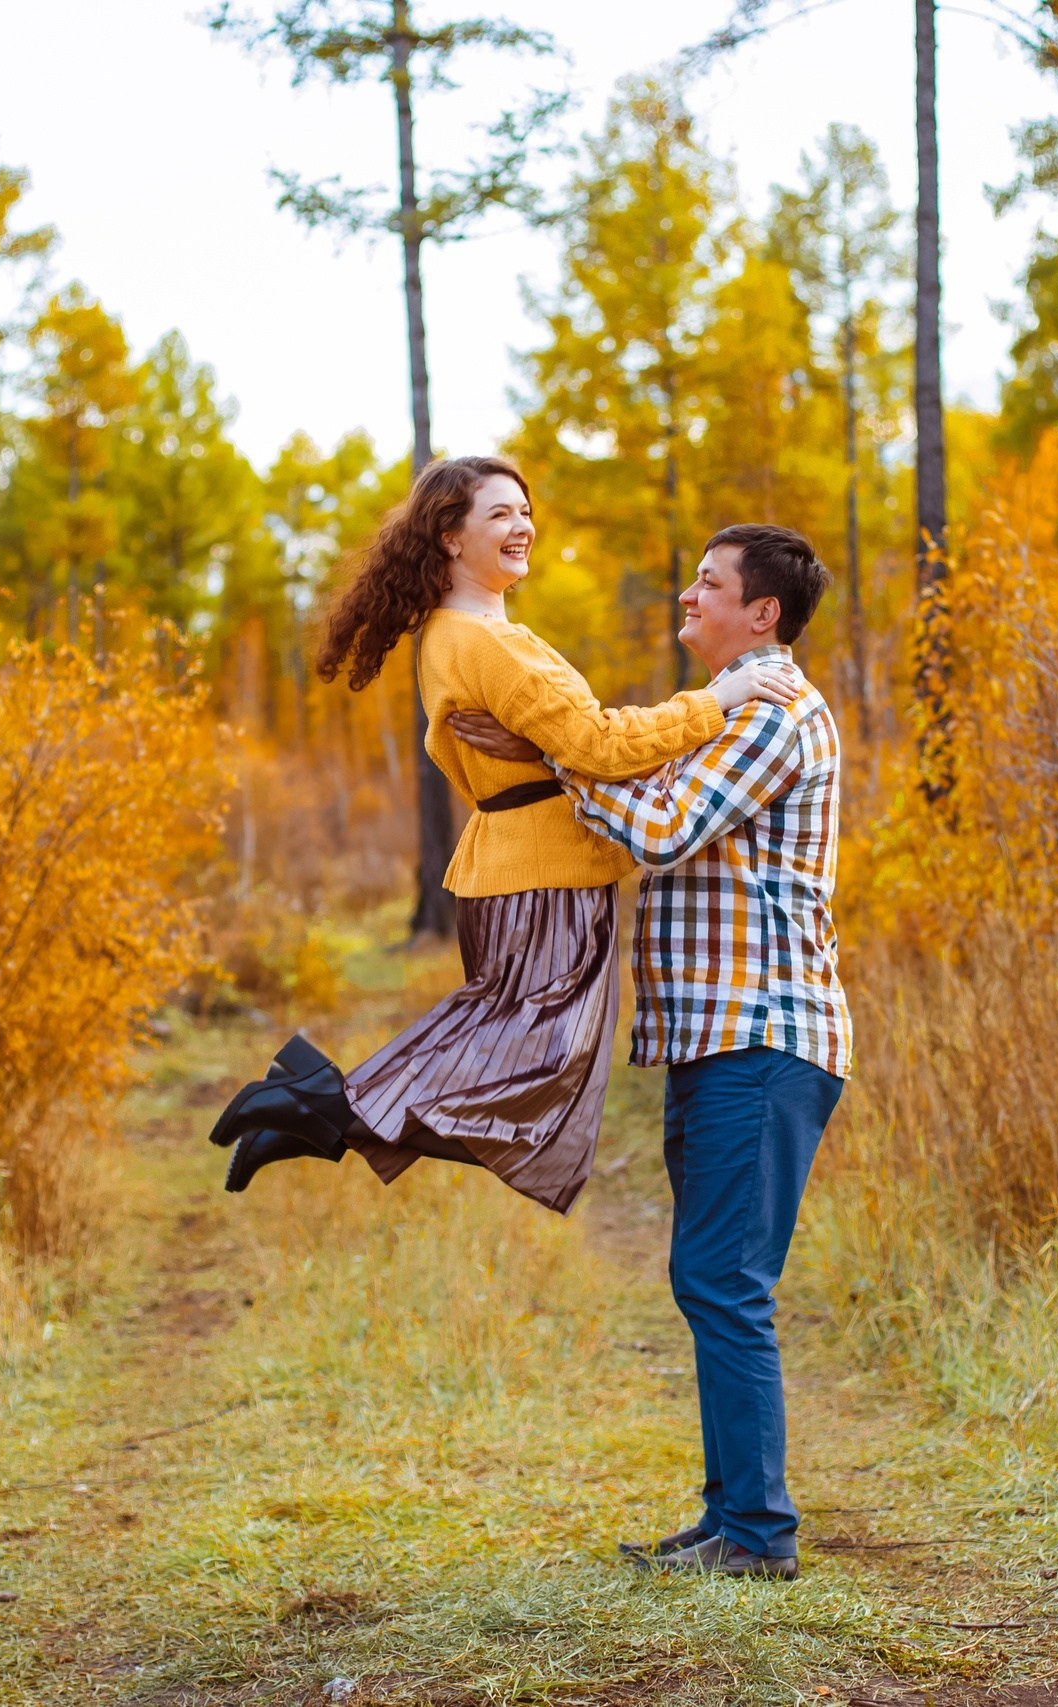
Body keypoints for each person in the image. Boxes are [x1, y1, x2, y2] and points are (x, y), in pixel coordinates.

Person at [206, 455, 800, 1212]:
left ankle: (310, 1112)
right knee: (534, 1070)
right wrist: (719, 697)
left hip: (526, 867)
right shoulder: (484, 642)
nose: (522, 526)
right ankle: (314, 1106)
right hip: (542, 872)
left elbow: (579, 744)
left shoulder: (471, 634)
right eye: (499, 514)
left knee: (510, 1059)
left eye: (525, 511)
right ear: (451, 537)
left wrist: (592, 745)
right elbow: (599, 746)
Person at [449, 523, 851, 1581]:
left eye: (707, 583)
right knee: (710, 1277)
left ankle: (756, 1536)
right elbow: (637, 787)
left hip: (763, 1034)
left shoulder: (770, 711)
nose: (687, 594)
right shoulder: (725, 712)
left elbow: (662, 825)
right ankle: (734, 1519)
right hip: (717, 1040)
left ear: (761, 612)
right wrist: (564, 760)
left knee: (724, 1279)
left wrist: (546, 755)